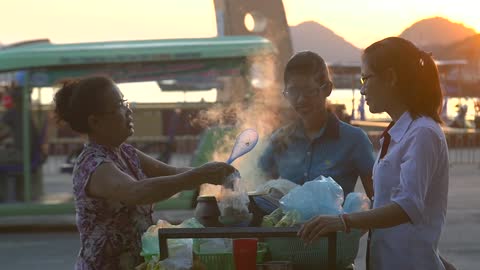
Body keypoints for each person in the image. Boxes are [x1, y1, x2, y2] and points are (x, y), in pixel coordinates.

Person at [298, 37, 453, 270]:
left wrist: (343, 222)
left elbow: (407, 206)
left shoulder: (423, 133)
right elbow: (387, 204)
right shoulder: (398, 133)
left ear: (390, 77)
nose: (362, 90)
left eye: (366, 78)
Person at [53, 76, 235, 270]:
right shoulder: (93, 164)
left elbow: (172, 172)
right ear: (95, 121)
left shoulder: (125, 152)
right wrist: (200, 175)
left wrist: (214, 174)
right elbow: (136, 192)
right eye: (119, 106)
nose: (128, 110)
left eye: (125, 102)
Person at [257, 51, 375, 213]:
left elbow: (378, 200)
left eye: (308, 91)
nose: (300, 99)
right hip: (285, 236)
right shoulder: (279, 140)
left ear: (327, 89)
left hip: (334, 237)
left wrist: (350, 228)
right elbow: (258, 190)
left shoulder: (354, 140)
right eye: (293, 92)